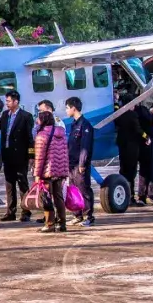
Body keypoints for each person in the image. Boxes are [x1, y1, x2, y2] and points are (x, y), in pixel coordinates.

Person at [0, 90, 34, 223]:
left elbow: (30, 138)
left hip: (20, 155)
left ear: (16, 102)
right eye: (6, 101)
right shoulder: (5, 115)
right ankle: (10, 212)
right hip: (7, 154)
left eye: (9, 101)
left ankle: (26, 211)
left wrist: (31, 155)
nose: (7, 103)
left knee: (22, 183)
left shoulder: (26, 116)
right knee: (9, 184)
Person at [33, 111, 68, 233]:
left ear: (42, 121)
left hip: (47, 171)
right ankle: (62, 224)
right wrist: (65, 170)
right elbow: (65, 153)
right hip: (60, 170)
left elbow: (40, 158)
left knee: (46, 197)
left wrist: (37, 174)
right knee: (58, 196)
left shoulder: (41, 135)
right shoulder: (61, 133)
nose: (37, 121)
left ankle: (49, 224)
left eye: (38, 119)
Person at [66, 97, 95, 227]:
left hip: (79, 164)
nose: (66, 110)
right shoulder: (74, 124)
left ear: (73, 108)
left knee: (84, 189)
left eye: (67, 108)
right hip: (71, 164)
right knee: (74, 190)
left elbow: (85, 146)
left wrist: (82, 164)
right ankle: (77, 215)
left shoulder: (85, 125)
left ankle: (88, 216)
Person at [114, 91, 143, 196]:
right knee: (131, 170)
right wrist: (147, 137)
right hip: (132, 146)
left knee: (123, 168)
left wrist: (116, 102)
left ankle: (125, 192)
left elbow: (116, 114)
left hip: (122, 144)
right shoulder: (133, 115)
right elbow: (138, 130)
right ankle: (131, 194)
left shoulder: (119, 113)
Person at [135, 103, 153, 206]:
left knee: (143, 170)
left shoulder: (133, 112)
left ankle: (142, 197)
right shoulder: (142, 110)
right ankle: (151, 194)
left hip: (141, 143)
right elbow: (149, 121)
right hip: (150, 142)